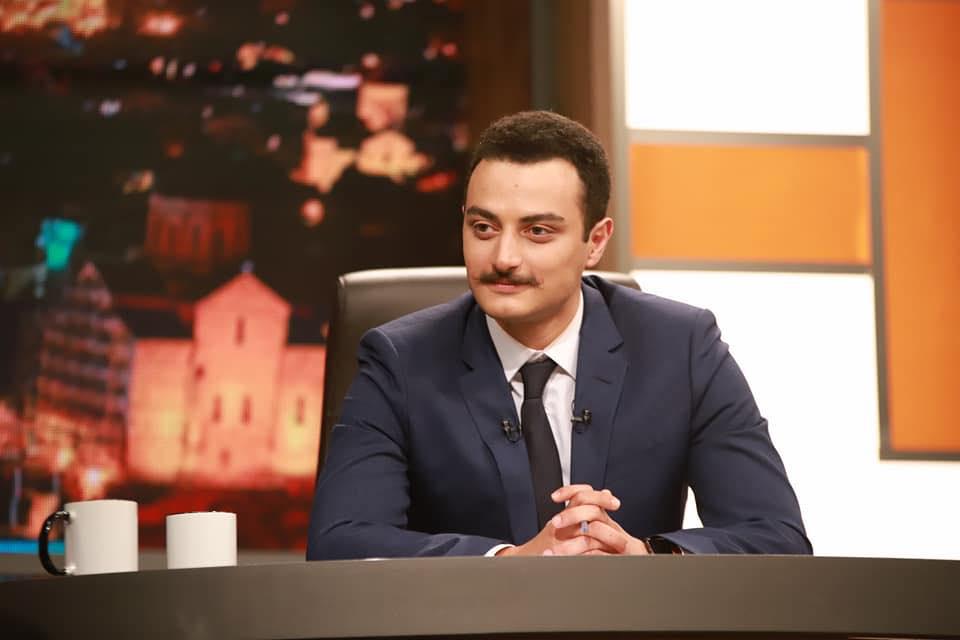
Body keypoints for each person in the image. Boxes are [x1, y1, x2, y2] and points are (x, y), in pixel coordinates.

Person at [307, 110, 811, 558]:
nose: (503, 257)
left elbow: (776, 537)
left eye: (537, 232)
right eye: (483, 228)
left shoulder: (682, 347)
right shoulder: (400, 360)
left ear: (596, 241)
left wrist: (646, 557)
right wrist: (508, 562)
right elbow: (341, 541)